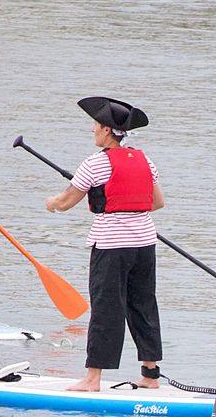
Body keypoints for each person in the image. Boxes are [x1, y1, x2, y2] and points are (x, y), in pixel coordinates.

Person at [45, 97, 165, 391]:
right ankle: (150, 376)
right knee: (143, 304)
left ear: (108, 131)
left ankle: (93, 378)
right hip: (145, 243)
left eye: (96, 126)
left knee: (106, 308)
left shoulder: (95, 163)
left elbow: (66, 201)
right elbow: (157, 202)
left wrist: (51, 205)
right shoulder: (144, 160)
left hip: (111, 246)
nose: (93, 130)